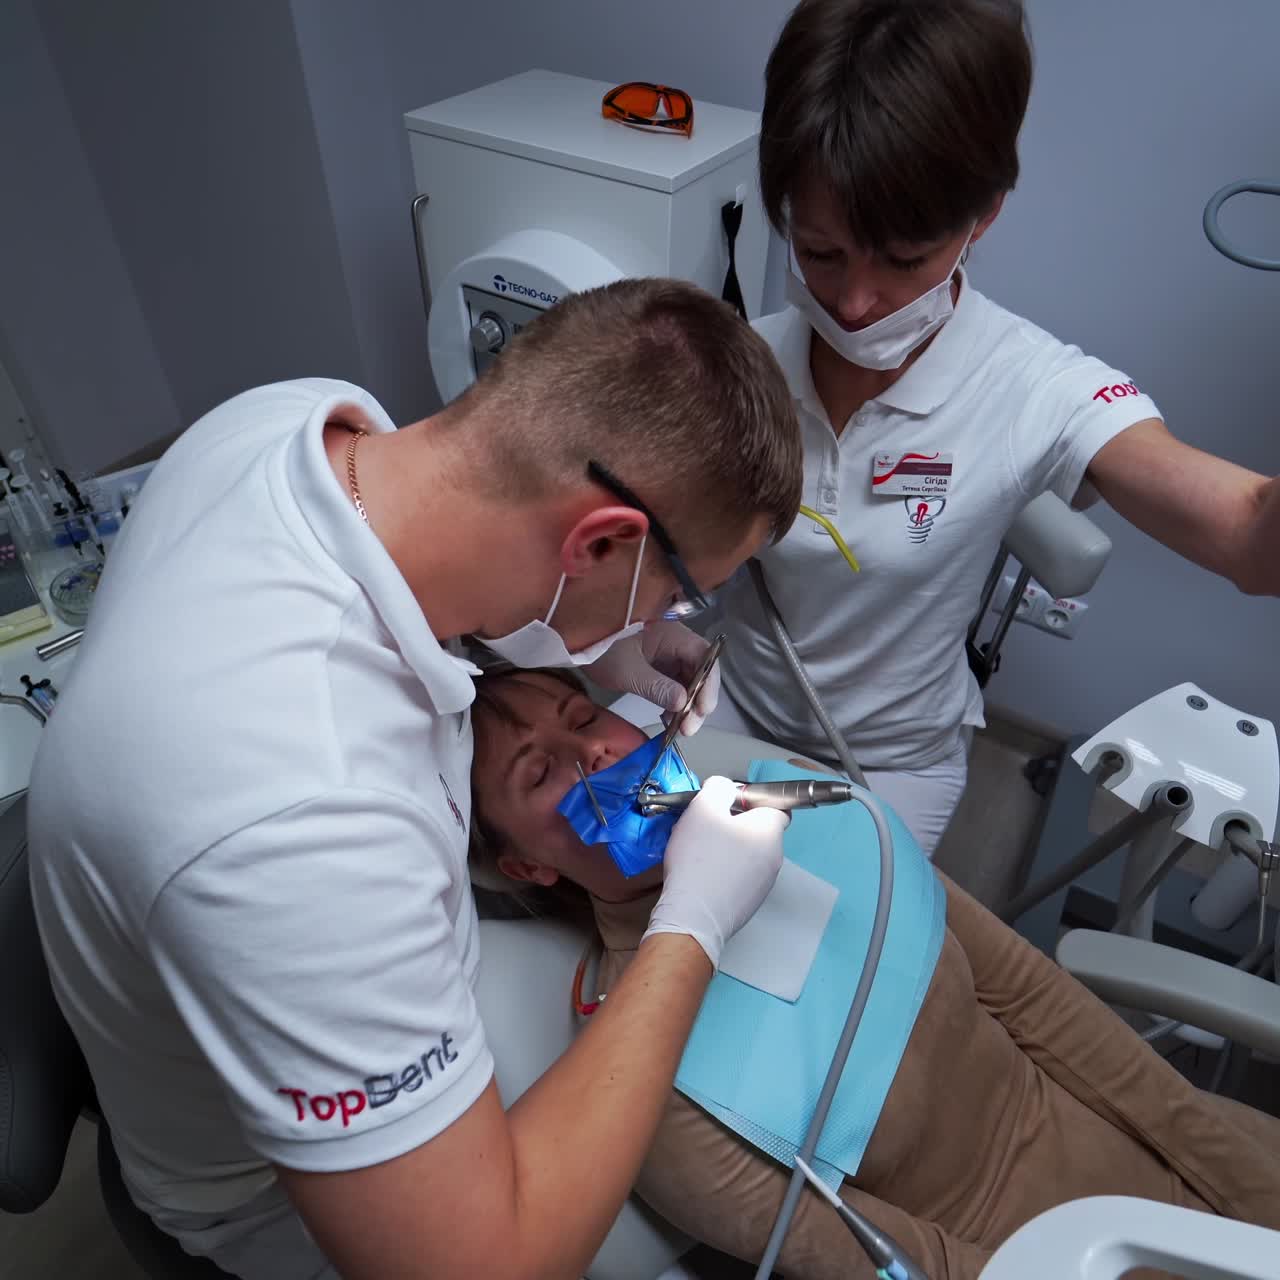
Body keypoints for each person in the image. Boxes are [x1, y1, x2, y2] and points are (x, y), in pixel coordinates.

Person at [27, 278, 805, 1280]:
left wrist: (585, 640)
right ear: (599, 540)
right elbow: (487, 1263)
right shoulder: (305, 814)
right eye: (681, 588)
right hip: (270, 1200)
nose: (671, 615)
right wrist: (690, 919)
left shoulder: (293, 425)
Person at [468, 666, 1280, 1279]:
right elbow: (898, 1263)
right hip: (1032, 1254)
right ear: (528, 866)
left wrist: (1235, 1185)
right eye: (540, 775)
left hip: (1153, 1130)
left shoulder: (826, 825)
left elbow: (1038, 1004)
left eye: (585, 717)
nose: (595, 755)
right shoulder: (646, 1085)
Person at [708, 0, 1280, 855]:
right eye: (820, 251)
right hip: (726, 706)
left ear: (985, 215)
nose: (856, 302)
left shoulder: (1037, 390)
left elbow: (1246, 537)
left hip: (887, 768)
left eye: (903, 261)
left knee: (818, 963)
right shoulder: (744, 360)